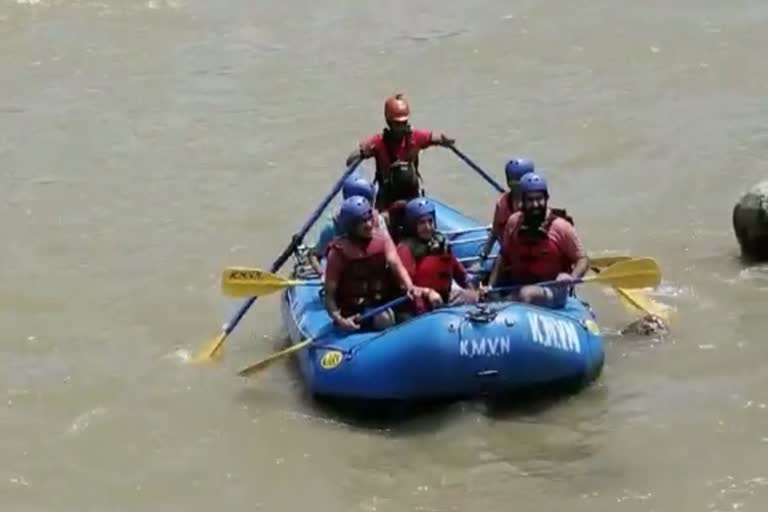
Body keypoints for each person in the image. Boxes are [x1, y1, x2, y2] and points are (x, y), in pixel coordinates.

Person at [323, 195, 442, 331]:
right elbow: (329, 296)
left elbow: (396, 264)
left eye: (369, 219)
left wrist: (411, 287)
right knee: (384, 319)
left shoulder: (382, 240)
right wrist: (341, 320)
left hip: (382, 303)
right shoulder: (338, 253)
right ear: (351, 226)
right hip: (353, 311)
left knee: (409, 316)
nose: (368, 225)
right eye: (362, 222)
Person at [487, 173, 589, 309]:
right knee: (478, 291)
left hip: (551, 290)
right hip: (517, 283)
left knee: (526, 294)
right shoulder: (513, 222)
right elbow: (503, 255)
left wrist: (571, 278)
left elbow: (582, 259)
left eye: (539, 199)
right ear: (522, 201)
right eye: (530, 200)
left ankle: (505, 305)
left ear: (546, 198)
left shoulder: (561, 227)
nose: (535, 205)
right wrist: (490, 286)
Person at [345, 94, 455, 210]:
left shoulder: (416, 137)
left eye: (404, 123)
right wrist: (362, 153)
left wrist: (444, 141)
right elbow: (350, 160)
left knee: (423, 217)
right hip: (387, 201)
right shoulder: (378, 142)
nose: (402, 127)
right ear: (389, 122)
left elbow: (434, 138)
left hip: (412, 198)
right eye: (397, 124)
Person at [396, 198, 482, 314]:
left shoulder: (441, 242)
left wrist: (474, 288)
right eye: (422, 223)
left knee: (477, 298)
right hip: (419, 304)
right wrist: (428, 292)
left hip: (445, 297)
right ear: (412, 225)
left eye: (430, 221)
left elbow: (459, 273)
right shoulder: (406, 249)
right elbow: (407, 287)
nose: (428, 227)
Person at [307, 175, 388, 276]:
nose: (368, 224)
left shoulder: (377, 221)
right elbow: (314, 255)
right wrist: (322, 273)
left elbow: (389, 252)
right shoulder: (332, 228)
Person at [478, 158, 535, 262]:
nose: (514, 186)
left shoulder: (536, 206)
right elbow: (495, 232)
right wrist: (484, 254)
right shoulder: (502, 203)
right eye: (511, 182)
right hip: (509, 255)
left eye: (516, 182)